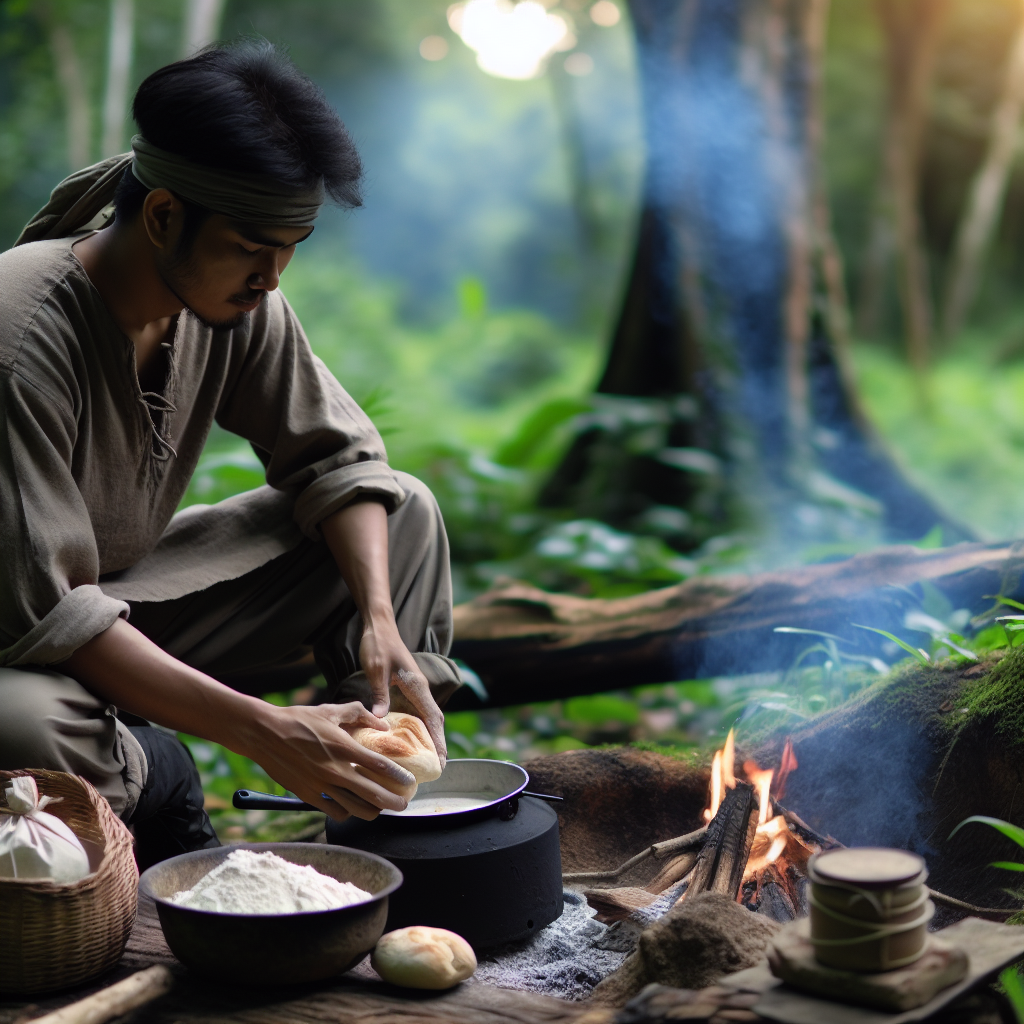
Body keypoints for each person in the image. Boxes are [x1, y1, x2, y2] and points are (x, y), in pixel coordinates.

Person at [0, 42, 461, 868]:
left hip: (110, 602)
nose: (273, 278)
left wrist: (382, 626)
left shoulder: (235, 303)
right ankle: (161, 778)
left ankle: (381, 795)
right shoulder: (20, 333)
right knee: (26, 725)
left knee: (403, 511)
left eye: (292, 248)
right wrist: (267, 731)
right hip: (21, 639)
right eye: (254, 248)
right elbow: (50, 614)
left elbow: (339, 463)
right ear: (165, 215)